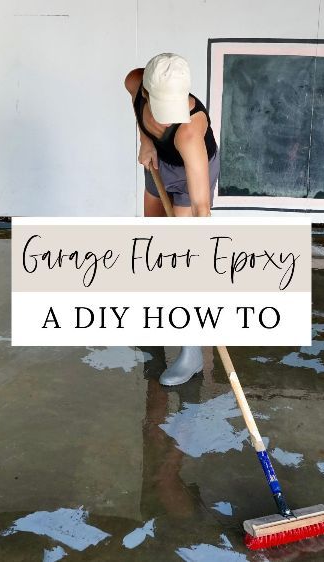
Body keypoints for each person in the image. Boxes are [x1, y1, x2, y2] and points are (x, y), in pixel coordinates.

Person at [125, 53, 219, 386]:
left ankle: (191, 353)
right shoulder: (136, 83)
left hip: (190, 176)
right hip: (159, 162)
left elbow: (200, 203)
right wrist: (146, 139)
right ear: (147, 93)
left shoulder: (190, 131)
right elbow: (131, 88)